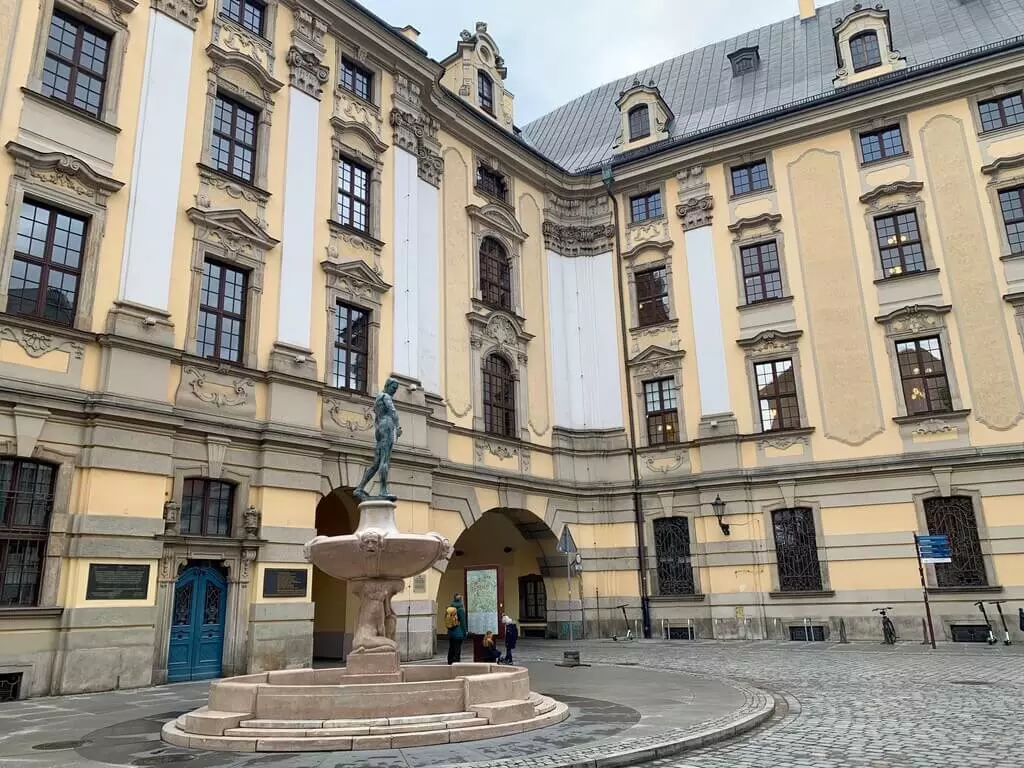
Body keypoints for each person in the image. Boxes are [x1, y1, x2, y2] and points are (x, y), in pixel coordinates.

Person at [446, 592, 467, 664]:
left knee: (451, 647)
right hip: (458, 632)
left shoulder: (450, 608)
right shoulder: (461, 609)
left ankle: (449, 661)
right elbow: (463, 623)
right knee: (457, 648)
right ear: (461, 600)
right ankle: (456, 663)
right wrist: (465, 632)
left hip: (450, 631)